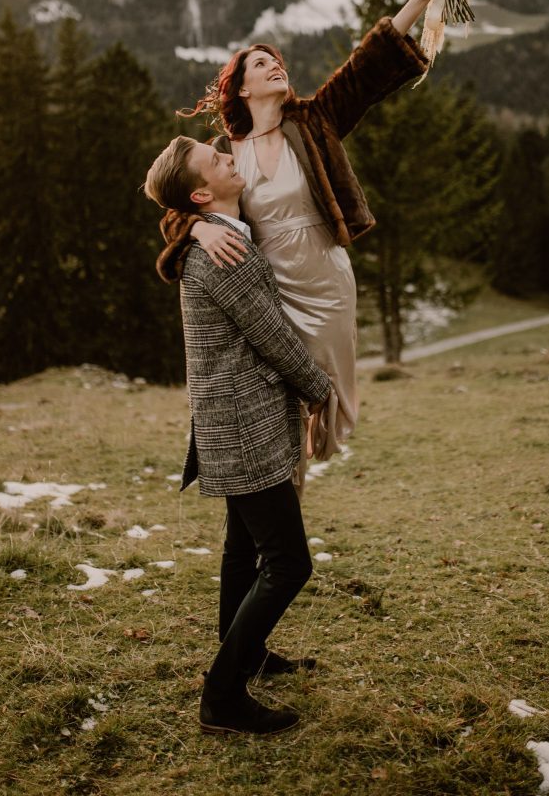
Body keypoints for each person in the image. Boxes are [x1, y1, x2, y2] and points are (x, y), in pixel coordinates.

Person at [156, 0, 450, 473]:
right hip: (270, 289)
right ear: (242, 89)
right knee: (278, 404)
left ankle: (288, 513)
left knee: (325, 405)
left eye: (276, 61)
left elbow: (369, 63)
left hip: (325, 278)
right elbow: (179, 209)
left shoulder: (315, 122)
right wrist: (200, 228)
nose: (274, 66)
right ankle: (285, 516)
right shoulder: (226, 153)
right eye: (260, 64)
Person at [144, 134, 332, 736]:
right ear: (202, 191)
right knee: (288, 563)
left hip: (232, 422)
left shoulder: (218, 237)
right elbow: (273, 336)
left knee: (241, 550)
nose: (229, 156)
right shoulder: (225, 253)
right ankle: (221, 696)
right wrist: (322, 391)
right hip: (243, 427)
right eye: (217, 159)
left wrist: (196, 227)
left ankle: (246, 656)